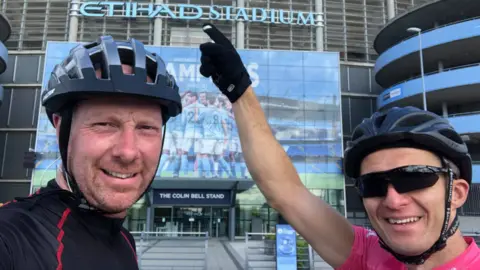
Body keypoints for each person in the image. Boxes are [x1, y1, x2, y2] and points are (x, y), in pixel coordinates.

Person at [198, 23, 480, 269]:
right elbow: (286, 192)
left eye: (414, 178)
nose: (393, 200)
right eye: (374, 185)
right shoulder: (369, 256)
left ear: (456, 192)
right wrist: (240, 90)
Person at [0, 36, 182, 269]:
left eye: (146, 128)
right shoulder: (12, 238)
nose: (127, 152)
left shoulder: (125, 242)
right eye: (104, 124)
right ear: (60, 128)